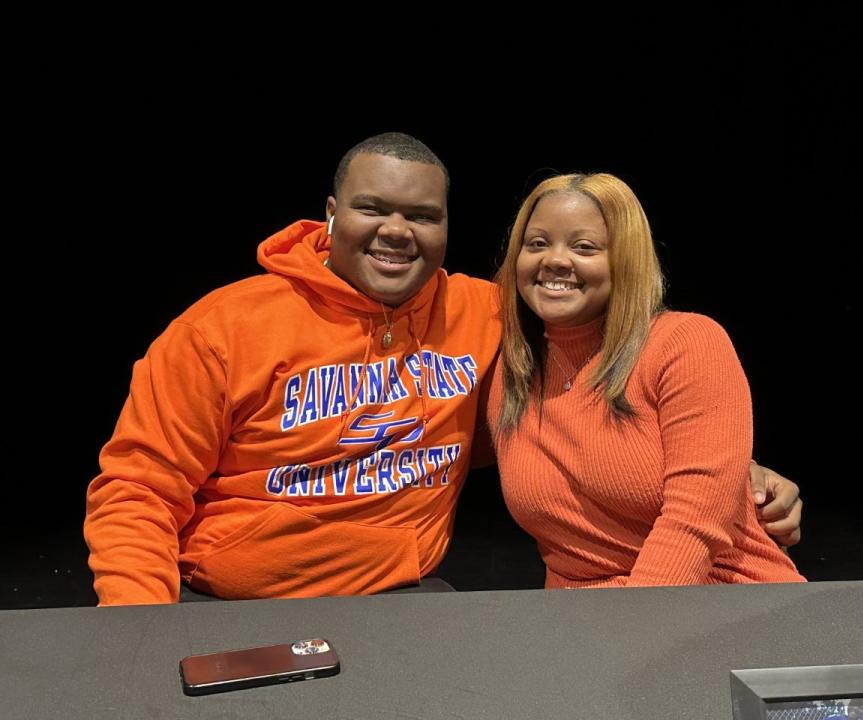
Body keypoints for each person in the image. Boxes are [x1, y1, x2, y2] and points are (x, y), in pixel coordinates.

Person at [85, 133, 802, 605]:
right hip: (233, 602)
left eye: (422, 216)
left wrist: (731, 464)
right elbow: (137, 491)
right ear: (332, 215)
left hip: (404, 596)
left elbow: (615, 404)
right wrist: (142, 633)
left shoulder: (486, 317)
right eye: (372, 208)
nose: (397, 231)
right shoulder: (222, 327)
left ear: (446, 226)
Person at [489, 172, 805, 588]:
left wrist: (631, 632)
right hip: (582, 619)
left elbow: (695, 522)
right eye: (537, 244)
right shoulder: (511, 370)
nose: (555, 260)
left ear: (626, 258)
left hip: (716, 600)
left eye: (584, 247)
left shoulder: (686, 342)